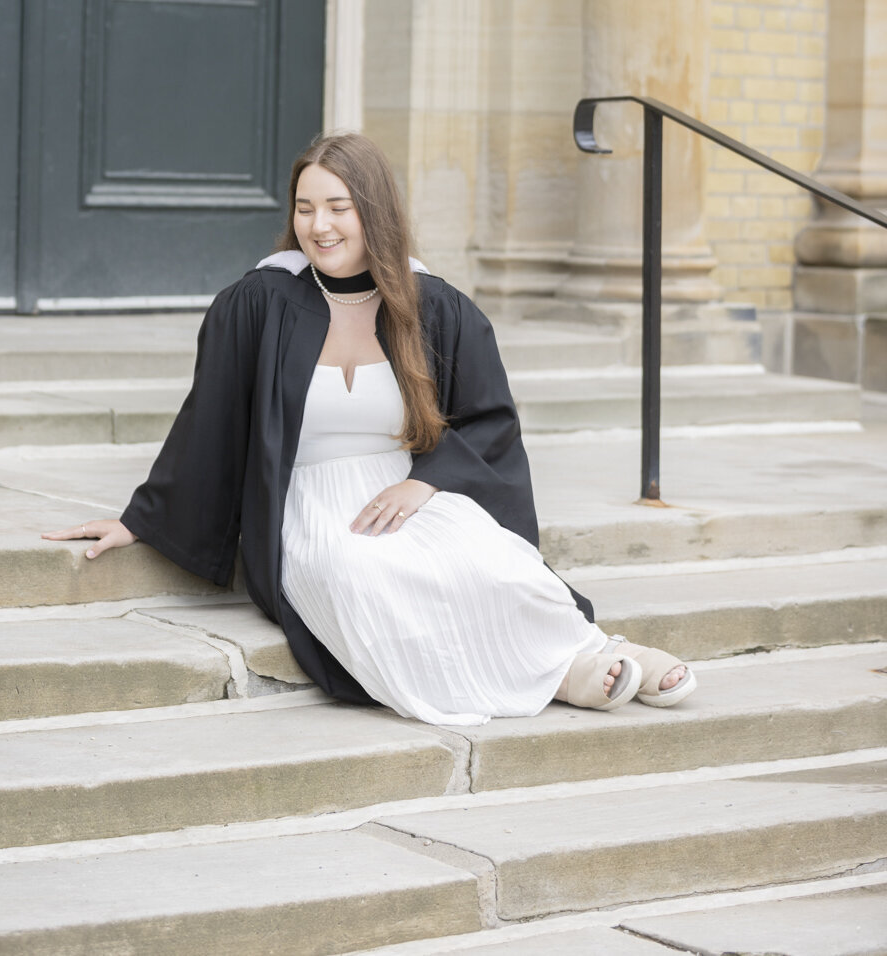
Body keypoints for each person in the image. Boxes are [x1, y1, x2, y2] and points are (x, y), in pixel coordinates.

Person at [43, 133, 695, 726]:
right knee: (362, 574)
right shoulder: (259, 303)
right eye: (305, 208)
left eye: (337, 207)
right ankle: (554, 677)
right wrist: (143, 518)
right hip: (308, 500)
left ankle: (595, 651)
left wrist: (429, 482)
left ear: (374, 210)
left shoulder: (435, 306)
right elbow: (207, 421)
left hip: (409, 486)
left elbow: (488, 419)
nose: (319, 226)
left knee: (489, 562)